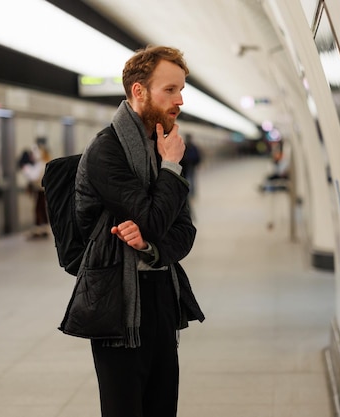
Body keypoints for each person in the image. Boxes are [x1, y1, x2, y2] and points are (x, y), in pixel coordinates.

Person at [72, 45, 205, 417]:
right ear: (139, 91)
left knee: (163, 406)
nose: (180, 99)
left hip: (162, 292)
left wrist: (150, 245)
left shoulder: (161, 147)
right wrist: (172, 169)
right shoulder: (106, 151)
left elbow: (183, 232)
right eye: (170, 89)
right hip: (118, 300)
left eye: (182, 89)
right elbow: (152, 217)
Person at [179, 133, 201, 198]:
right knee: (191, 179)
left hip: (188, 165)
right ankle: (191, 193)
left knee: (189, 179)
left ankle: (190, 193)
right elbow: (197, 156)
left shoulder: (185, 146)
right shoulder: (193, 146)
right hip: (189, 165)